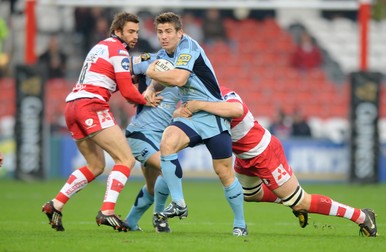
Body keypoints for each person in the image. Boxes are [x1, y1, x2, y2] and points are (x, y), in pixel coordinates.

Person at [180, 86, 378, 237]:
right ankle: (290, 200)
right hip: (244, 157)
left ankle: (361, 215)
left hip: (264, 152)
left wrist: (199, 106)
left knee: (303, 201)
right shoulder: (197, 101)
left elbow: (238, 109)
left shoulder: (223, 94)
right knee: (248, 195)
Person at [41, 12, 156, 232]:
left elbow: (109, 72)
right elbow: (128, 92)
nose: (134, 36)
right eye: (130, 31)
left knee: (95, 166)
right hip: (91, 105)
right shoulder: (119, 50)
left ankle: (56, 204)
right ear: (117, 31)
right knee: (125, 159)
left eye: (137, 32)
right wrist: (146, 100)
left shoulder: (100, 46)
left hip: (72, 106)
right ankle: (107, 211)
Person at [144, 12, 247, 236]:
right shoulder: (164, 53)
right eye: (160, 32)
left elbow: (179, 78)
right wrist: (151, 88)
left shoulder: (188, 47)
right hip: (190, 114)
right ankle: (174, 206)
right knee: (167, 144)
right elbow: (162, 78)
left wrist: (149, 70)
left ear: (179, 32)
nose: (164, 36)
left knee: (224, 172)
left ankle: (240, 223)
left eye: (169, 31)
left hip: (212, 114)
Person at [124, 52, 179, 233]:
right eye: (162, 32)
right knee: (169, 169)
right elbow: (122, 71)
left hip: (159, 138)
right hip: (140, 133)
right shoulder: (150, 60)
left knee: (152, 187)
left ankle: (130, 222)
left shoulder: (184, 73)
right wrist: (137, 96)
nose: (165, 36)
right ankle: (160, 218)